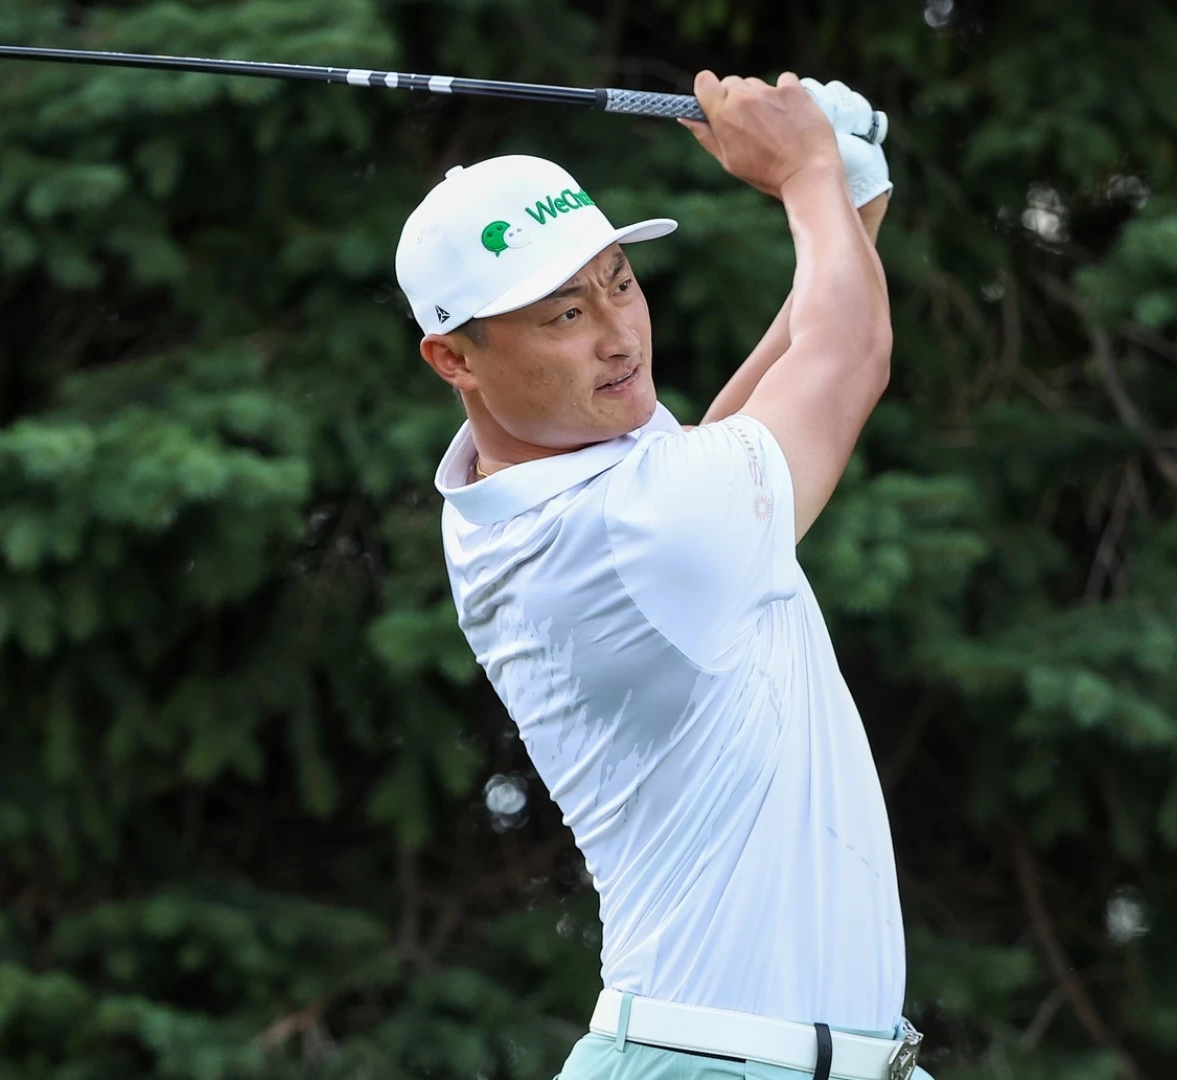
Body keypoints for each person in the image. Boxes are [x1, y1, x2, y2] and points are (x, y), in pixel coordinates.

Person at [394, 71, 932, 1080]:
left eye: (619, 283)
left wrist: (844, 200)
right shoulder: (632, 526)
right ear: (453, 359)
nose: (618, 336)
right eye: (563, 314)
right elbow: (848, 355)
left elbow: (753, 426)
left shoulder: (574, 489)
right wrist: (808, 173)